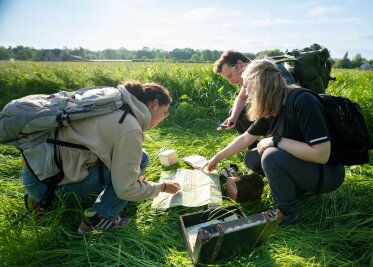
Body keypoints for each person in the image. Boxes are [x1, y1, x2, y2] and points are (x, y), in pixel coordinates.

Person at [22, 81, 181, 234]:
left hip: (35, 170)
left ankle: (38, 199)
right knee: (139, 164)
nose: (162, 118)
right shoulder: (130, 127)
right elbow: (126, 190)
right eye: (164, 112)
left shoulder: (112, 104)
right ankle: (98, 219)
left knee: (141, 156)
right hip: (49, 184)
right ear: (155, 103)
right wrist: (162, 187)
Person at [203, 58, 345, 222]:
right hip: (306, 164)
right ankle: (298, 190)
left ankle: (287, 213)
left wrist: (275, 140)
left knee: (271, 156)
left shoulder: (303, 101)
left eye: (248, 86)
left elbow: (321, 155)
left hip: (327, 173)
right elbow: (246, 138)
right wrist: (216, 158)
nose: (247, 93)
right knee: (252, 157)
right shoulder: (273, 103)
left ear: (259, 83)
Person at [213, 50, 295, 138]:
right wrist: (233, 117)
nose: (231, 81)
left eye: (230, 76)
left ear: (240, 64)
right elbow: (241, 98)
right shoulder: (251, 75)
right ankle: (252, 146)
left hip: (286, 117)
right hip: (270, 111)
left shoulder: (269, 70)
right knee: (237, 112)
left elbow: (283, 103)